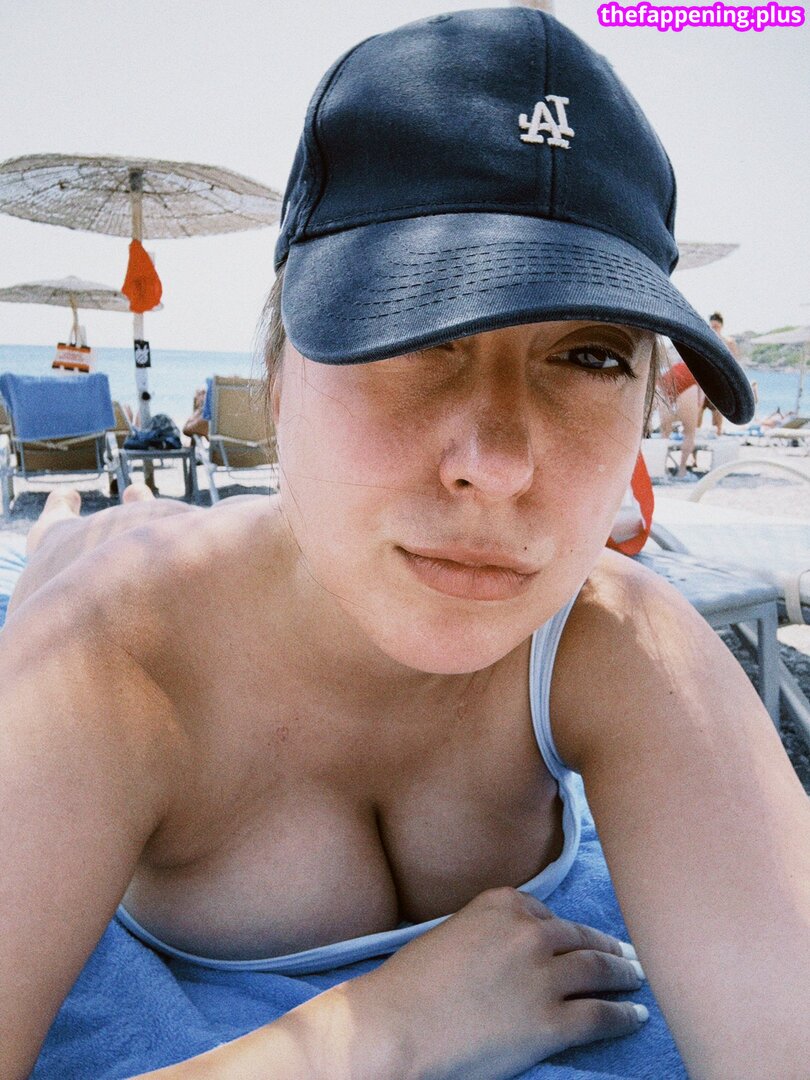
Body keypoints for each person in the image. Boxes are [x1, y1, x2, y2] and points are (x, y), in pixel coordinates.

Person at [2, 10, 808, 1080]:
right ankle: (66, 521)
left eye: (589, 355)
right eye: (417, 331)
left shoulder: (613, 638)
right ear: (278, 376)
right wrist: (386, 1029)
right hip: (116, 564)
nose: (499, 464)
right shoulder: (107, 657)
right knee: (81, 541)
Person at [657, 357, 702, 477]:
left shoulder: (676, 362)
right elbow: (702, 393)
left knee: (664, 434)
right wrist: (698, 407)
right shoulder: (700, 367)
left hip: (666, 380)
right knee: (689, 433)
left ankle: (661, 468)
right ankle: (681, 470)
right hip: (688, 381)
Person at [703, 312, 740, 435]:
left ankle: (718, 435)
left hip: (720, 381)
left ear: (721, 326)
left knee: (717, 414)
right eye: (712, 327)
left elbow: (734, 363)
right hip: (705, 380)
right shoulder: (706, 339)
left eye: (716, 327)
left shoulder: (728, 342)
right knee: (698, 411)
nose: (714, 329)